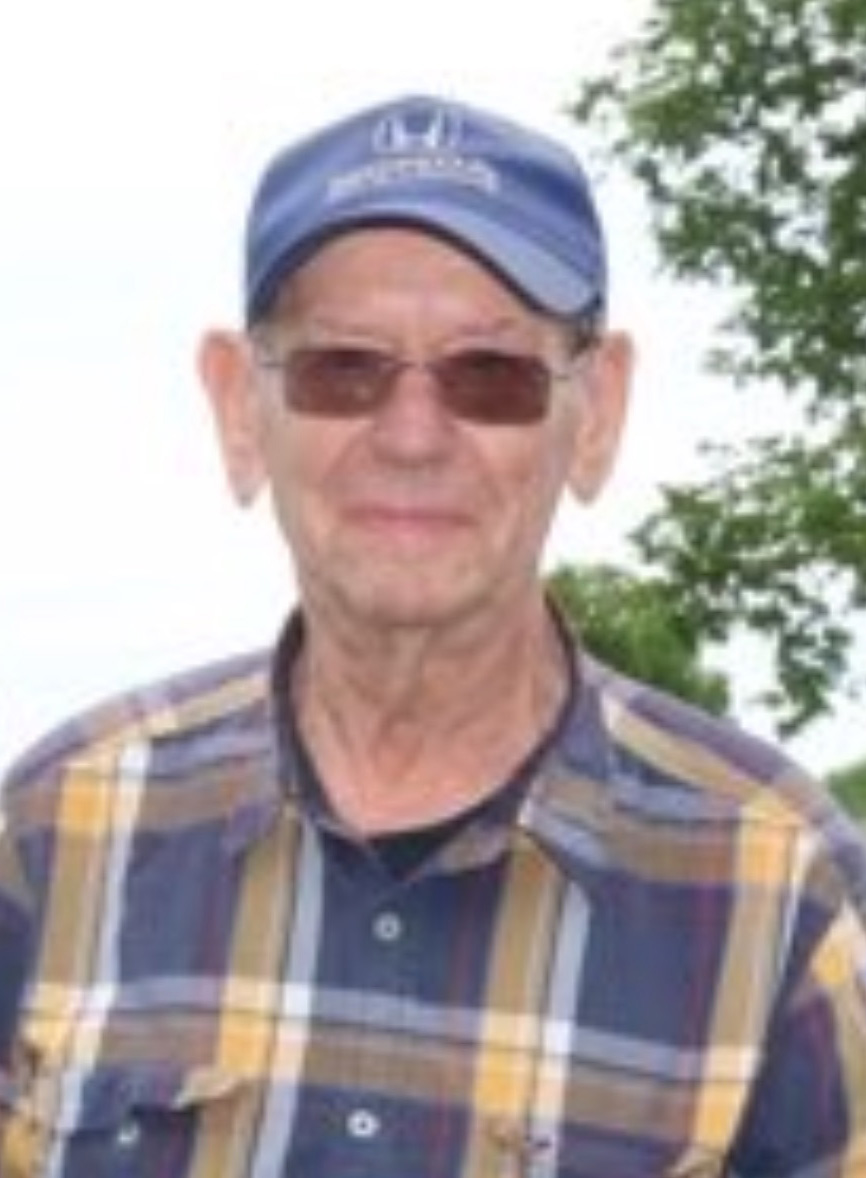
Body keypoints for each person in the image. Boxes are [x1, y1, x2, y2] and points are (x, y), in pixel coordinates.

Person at [1, 93, 865, 1178]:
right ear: (239, 407)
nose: (412, 436)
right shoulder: (53, 834)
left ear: (595, 413)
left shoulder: (782, 889)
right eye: (343, 368)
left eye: (489, 376)